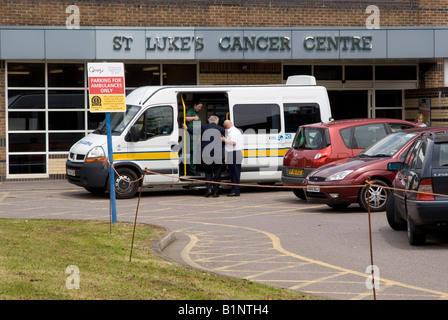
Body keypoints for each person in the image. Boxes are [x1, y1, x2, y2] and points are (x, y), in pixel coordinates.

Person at [183, 115, 225, 197]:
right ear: (217, 122)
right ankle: (216, 192)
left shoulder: (204, 127)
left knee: (208, 173)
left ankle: (208, 189)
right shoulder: (221, 129)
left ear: (209, 121)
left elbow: (193, 132)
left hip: (207, 155)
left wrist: (186, 128)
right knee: (217, 174)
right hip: (218, 155)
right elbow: (224, 140)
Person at [221, 120, 243, 197]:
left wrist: (224, 140)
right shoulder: (235, 130)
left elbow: (233, 143)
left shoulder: (232, 131)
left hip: (234, 153)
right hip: (234, 153)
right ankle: (235, 189)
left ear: (226, 126)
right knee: (233, 172)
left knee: (235, 173)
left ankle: (236, 190)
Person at [185, 99, 203, 175]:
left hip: (195, 135)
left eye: (201, 107)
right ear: (195, 105)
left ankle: (193, 169)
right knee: (193, 152)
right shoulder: (191, 111)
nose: (200, 108)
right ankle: (192, 170)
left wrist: (198, 137)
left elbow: (197, 125)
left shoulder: (196, 113)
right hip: (191, 135)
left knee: (195, 153)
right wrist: (193, 118)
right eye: (199, 106)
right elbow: (185, 118)